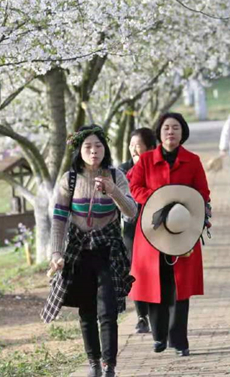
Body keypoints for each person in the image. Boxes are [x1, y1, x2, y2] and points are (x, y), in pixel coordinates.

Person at [42, 125, 137, 377]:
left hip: (108, 251)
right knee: (87, 311)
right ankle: (93, 363)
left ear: (105, 149)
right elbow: (59, 220)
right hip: (79, 251)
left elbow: (131, 211)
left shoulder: (116, 176)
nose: (94, 151)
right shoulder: (69, 180)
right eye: (88, 146)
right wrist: (55, 254)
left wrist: (113, 191)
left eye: (98, 146)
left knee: (108, 311)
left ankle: (109, 366)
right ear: (79, 150)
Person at [127, 112, 210, 356]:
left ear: (182, 132)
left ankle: (179, 340)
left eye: (175, 128)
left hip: (182, 229)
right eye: (166, 128)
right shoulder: (145, 160)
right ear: (159, 133)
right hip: (152, 230)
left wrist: (194, 214)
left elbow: (202, 192)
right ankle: (159, 336)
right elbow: (134, 187)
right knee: (156, 284)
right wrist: (155, 202)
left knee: (179, 286)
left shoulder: (192, 161)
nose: (170, 132)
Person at [119, 127, 157, 334]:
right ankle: (142, 316)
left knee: (155, 271)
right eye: (131, 145)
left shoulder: (156, 168)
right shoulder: (122, 170)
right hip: (132, 230)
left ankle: (157, 313)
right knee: (136, 272)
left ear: (150, 147)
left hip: (156, 227)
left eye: (138, 145)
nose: (134, 149)